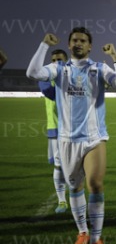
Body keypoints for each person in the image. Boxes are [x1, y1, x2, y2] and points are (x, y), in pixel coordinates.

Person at [26, 27, 116, 244]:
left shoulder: (99, 69)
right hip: (66, 140)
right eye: (74, 40)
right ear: (69, 44)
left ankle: (96, 239)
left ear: (90, 45)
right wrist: (44, 44)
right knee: (75, 186)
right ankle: (82, 231)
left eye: (83, 40)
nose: (78, 43)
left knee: (96, 185)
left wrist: (115, 57)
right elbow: (32, 73)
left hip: (94, 138)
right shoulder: (59, 69)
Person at [38, 49, 69, 213]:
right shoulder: (46, 76)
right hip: (55, 129)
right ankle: (62, 201)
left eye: (59, 60)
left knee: (76, 167)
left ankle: (79, 198)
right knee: (58, 166)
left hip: (75, 128)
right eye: (54, 60)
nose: (56, 62)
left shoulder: (73, 74)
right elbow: (47, 91)